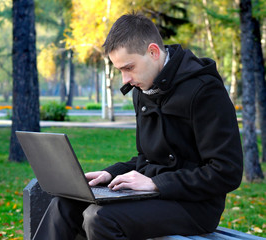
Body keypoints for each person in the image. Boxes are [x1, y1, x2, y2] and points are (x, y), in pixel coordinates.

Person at [33, 13, 243, 240]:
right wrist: (109, 174)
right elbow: (147, 159)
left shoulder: (204, 90)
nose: (125, 80)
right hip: (153, 194)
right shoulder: (144, 89)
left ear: (153, 52)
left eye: (128, 68)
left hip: (194, 206)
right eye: (120, 70)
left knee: (100, 217)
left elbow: (227, 172)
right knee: (64, 204)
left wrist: (155, 184)